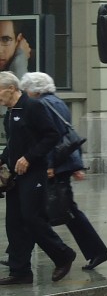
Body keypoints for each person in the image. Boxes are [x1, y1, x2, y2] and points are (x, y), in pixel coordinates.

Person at [22, 72, 107, 271]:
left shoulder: (42, 104)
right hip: (64, 163)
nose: (24, 94)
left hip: (56, 165)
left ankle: (95, 251)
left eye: (26, 89)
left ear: (34, 90)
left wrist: (50, 165)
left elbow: (54, 137)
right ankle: (20, 256)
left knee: (63, 211)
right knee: (55, 210)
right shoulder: (56, 102)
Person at [0, 71, 76, 285]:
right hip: (16, 174)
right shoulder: (9, 112)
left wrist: (29, 158)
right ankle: (20, 271)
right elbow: (14, 144)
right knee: (14, 222)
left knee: (32, 218)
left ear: (11, 89)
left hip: (34, 172)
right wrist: (2, 159)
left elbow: (52, 135)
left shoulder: (33, 107)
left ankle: (63, 255)